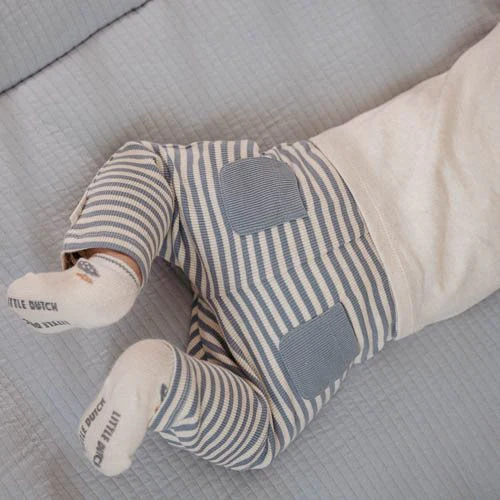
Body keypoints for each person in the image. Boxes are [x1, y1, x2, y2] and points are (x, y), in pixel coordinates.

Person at [7, 23, 500, 476]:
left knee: (157, 176)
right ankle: (159, 380)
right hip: (356, 302)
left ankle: (112, 272)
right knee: (259, 426)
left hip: (305, 193)